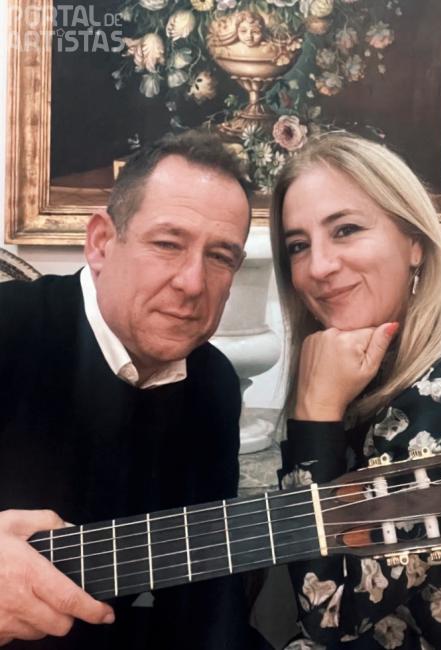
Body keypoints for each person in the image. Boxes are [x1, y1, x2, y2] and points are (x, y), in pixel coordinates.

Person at [269, 132, 441, 649]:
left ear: (414, 242)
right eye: (299, 246)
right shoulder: (392, 359)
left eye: (346, 230)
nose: (319, 267)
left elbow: (330, 615)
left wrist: (314, 412)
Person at [0, 130, 264, 649]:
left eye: (220, 257)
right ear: (101, 242)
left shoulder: (213, 383)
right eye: (167, 244)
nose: (192, 283)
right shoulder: (9, 329)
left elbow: (205, 590)